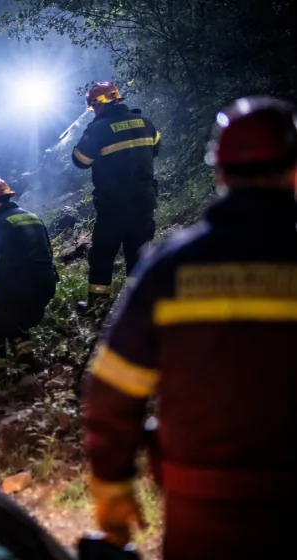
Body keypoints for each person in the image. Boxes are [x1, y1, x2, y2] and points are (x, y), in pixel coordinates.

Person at [82, 96, 297, 559]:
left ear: (220, 174)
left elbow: (112, 391)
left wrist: (112, 485)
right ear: (294, 171)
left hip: (200, 507)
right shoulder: (143, 122)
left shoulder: (171, 268)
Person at [72, 82, 161, 313]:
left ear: (98, 104)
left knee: (102, 255)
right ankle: (138, 306)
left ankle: (98, 307)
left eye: (93, 106)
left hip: (114, 204)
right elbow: (156, 149)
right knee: (138, 253)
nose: (94, 110)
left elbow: (80, 161)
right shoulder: (145, 122)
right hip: (144, 200)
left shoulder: (98, 129)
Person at [0, 179, 57, 376]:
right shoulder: (33, 217)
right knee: (17, 326)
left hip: (18, 288)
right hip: (46, 285)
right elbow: (48, 252)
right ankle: (27, 372)